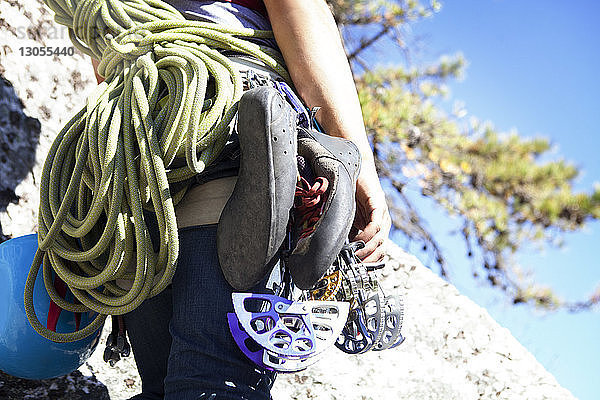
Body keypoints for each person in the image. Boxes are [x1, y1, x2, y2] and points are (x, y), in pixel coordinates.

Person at [91, 1, 391, 399]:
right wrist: (357, 165)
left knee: (162, 385)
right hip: (233, 131)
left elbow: (104, 55)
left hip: (132, 152)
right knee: (216, 380)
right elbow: (302, 14)